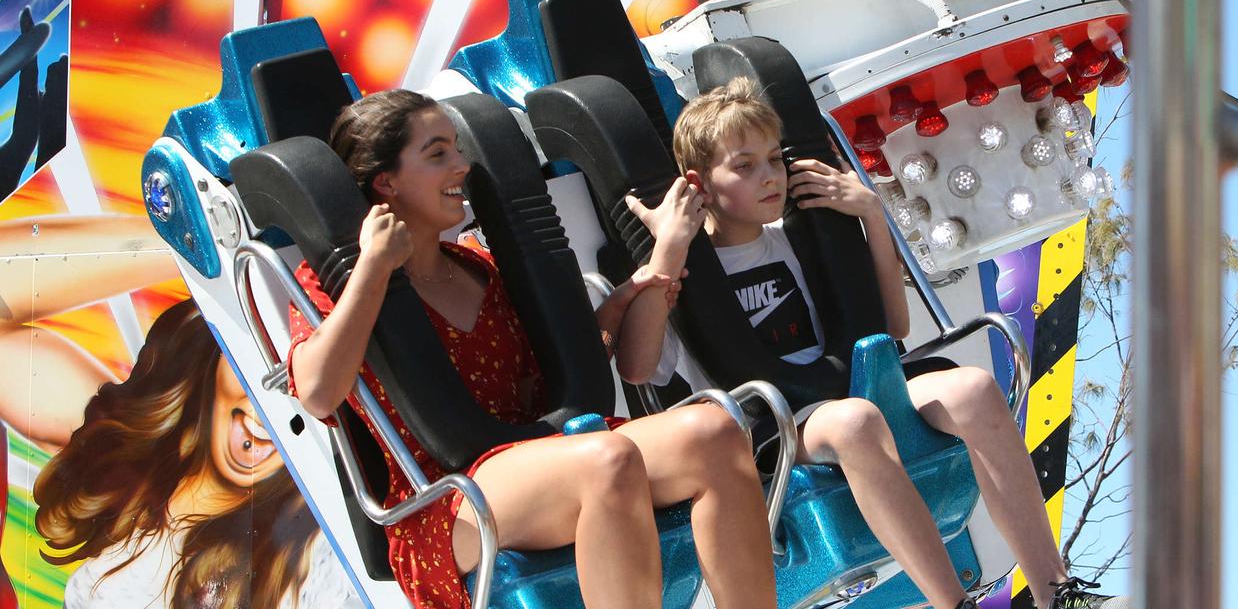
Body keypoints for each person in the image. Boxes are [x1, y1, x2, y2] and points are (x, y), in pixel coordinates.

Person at [635, 77, 1123, 609]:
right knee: (855, 422)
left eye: (775, 160)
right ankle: (952, 603)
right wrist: (668, 250)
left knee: (976, 389)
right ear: (700, 184)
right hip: (774, 427)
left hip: (857, 387)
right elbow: (639, 369)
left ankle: (1056, 591)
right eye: (744, 166)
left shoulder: (803, 242)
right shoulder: (685, 273)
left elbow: (892, 326)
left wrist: (871, 214)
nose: (770, 176)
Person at [287, 89, 776, 609]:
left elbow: (547, 382)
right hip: (447, 498)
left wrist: (620, 306)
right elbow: (317, 394)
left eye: (457, 148)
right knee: (606, 460)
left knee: (715, 429)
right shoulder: (328, 284)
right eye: (438, 155)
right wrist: (373, 268)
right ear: (386, 181)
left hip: (545, 452)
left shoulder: (479, 266)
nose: (462, 164)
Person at [33, 299, 359, 608]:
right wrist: (200, 253)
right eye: (253, 362)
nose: (265, 412)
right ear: (211, 361)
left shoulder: (314, 552)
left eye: (300, 385)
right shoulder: (125, 466)